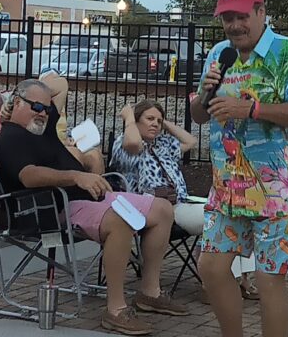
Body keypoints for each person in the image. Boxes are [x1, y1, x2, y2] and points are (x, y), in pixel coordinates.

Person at [0, 79, 188, 336]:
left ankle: (149, 293)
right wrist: (76, 176)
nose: (43, 113)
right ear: (17, 103)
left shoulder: (42, 127)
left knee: (162, 209)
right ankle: (116, 310)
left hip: (87, 197)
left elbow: (60, 84)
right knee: (119, 220)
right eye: (36, 107)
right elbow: (29, 175)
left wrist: (33, 95)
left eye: (46, 108)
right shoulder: (9, 138)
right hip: (52, 207)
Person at [189, 0, 288, 337]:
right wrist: (204, 95)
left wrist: (250, 109)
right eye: (227, 18)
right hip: (229, 188)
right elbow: (198, 116)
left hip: (280, 190)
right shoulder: (220, 54)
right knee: (212, 268)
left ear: (261, 12)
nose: (235, 25)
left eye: (242, 16)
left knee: (268, 279)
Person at [110, 99, 258, 301]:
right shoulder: (124, 144)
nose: (155, 124)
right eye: (149, 119)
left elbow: (190, 141)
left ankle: (241, 279)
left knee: (237, 212)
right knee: (218, 219)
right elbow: (134, 143)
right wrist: (128, 117)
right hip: (154, 209)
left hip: (180, 203)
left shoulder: (163, 144)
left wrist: (164, 123)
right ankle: (212, 283)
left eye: (158, 121)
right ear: (136, 121)